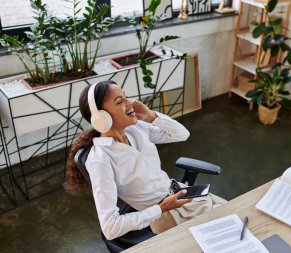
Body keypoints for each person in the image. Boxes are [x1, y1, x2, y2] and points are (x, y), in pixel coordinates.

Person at [64, 80, 225, 240]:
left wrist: (151, 116)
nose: (131, 102)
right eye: (120, 101)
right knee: (224, 234)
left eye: (126, 96)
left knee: (236, 214)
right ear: (101, 117)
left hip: (180, 193)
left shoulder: (136, 129)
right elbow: (110, 228)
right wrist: (160, 209)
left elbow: (181, 134)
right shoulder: (100, 159)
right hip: (166, 215)